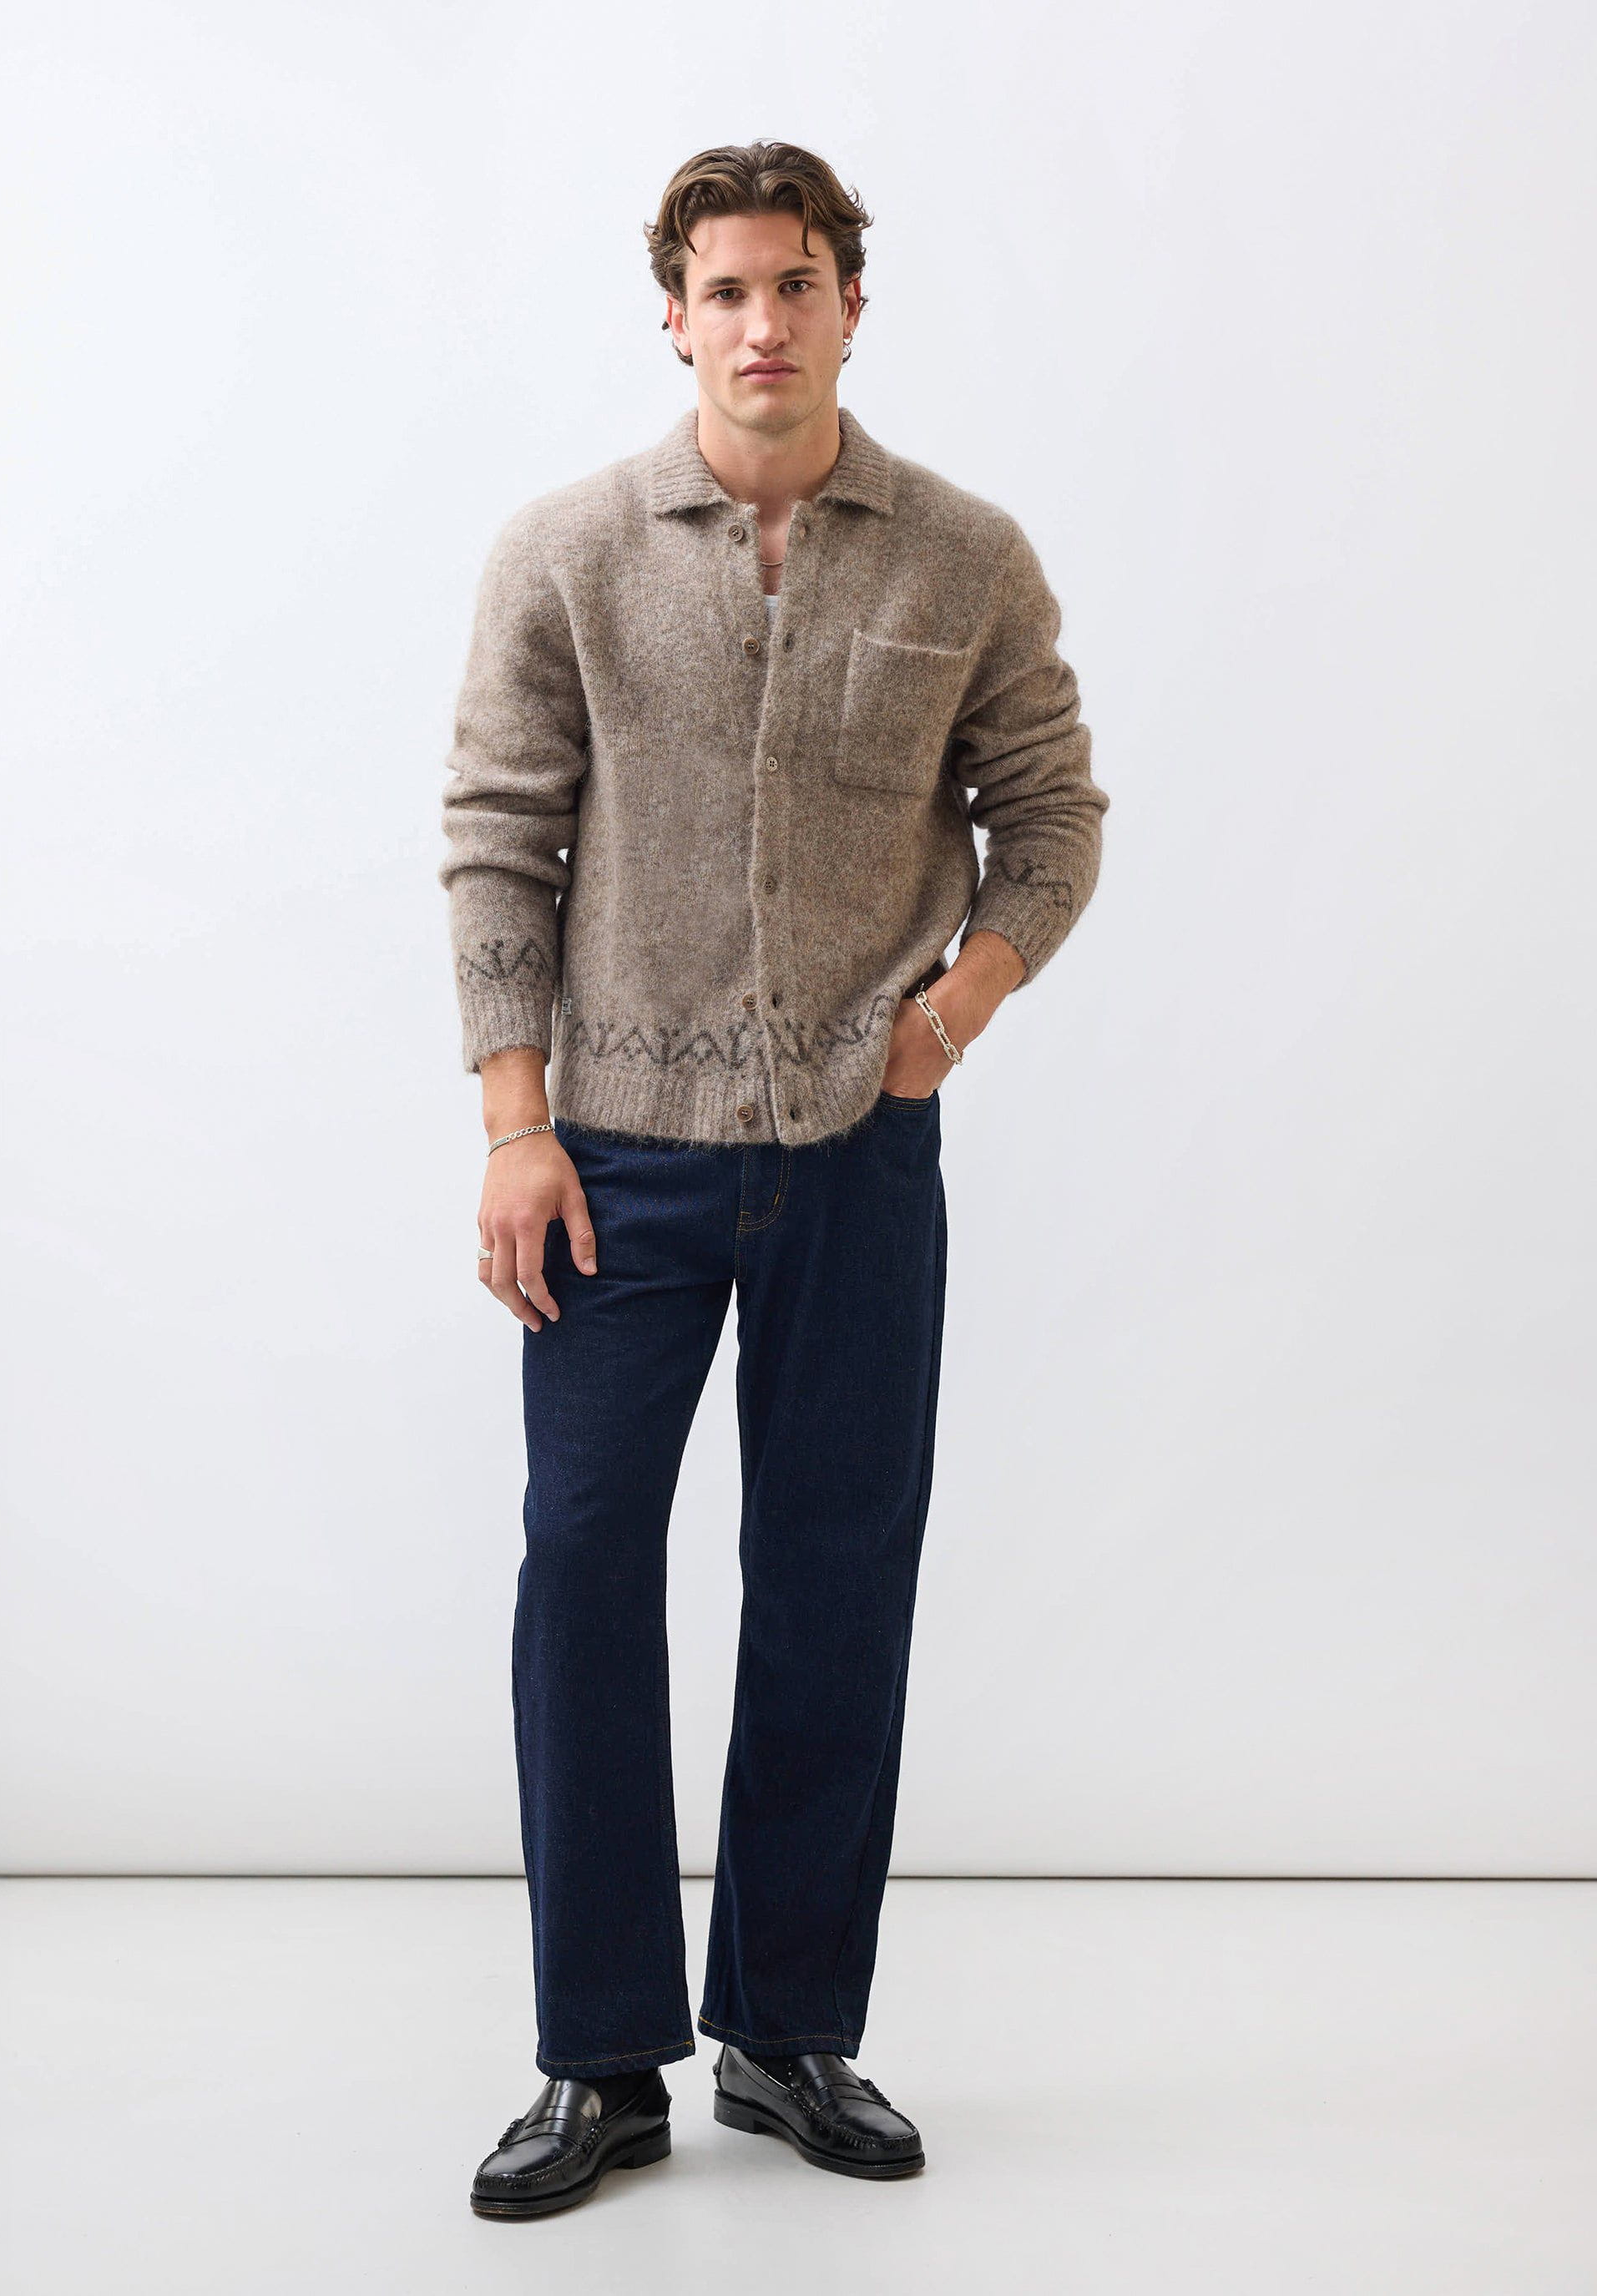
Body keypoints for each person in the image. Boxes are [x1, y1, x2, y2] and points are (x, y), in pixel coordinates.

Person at [439, 138, 1109, 2220]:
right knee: (582, 1581)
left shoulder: (963, 558)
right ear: (672, 312)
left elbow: (1053, 820)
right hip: (611, 1166)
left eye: (794, 286)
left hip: (855, 1152)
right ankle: (598, 2058)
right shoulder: (564, 550)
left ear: (845, 305)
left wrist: (948, 1016)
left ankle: (791, 2029)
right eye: (722, 289)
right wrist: (514, 1125)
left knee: (834, 1584)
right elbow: (495, 838)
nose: (759, 323)